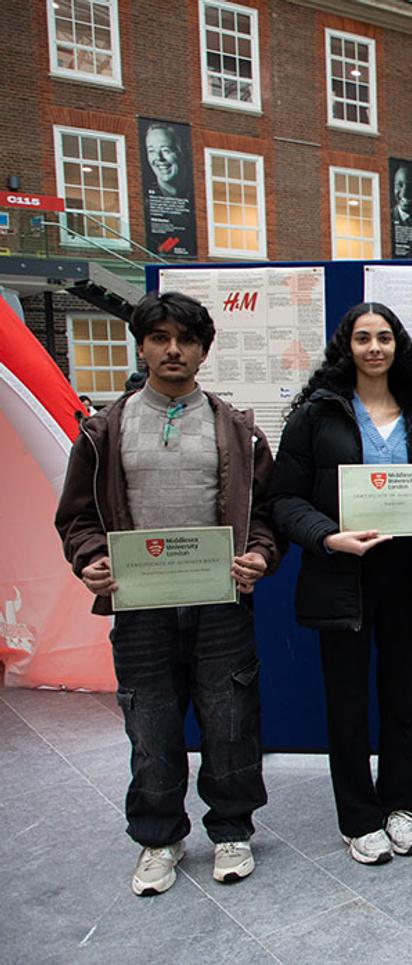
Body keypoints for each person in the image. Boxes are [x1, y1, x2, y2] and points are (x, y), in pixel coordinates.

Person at [54, 291, 282, 896]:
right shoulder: (106, 428)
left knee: (231, 720)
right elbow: (77, 518)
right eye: (159, 338)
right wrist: (92, 559)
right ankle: (158, 838)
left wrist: (259, 554)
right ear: (143, 345)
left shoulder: (235, 429)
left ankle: (232, 829)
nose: (172, 350)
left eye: (185, 340)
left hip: (220, 603)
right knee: (150, 724)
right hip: (140, 605)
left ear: (204, 350)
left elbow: (265, 516)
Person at [268, 302, 412, 865]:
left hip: (408, 575)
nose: (374, 348)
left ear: (398, 346)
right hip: (341, 573)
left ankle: (401, 806)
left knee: (402, 699)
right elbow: (284, 500)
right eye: (362, 339)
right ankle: (359, 817)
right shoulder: (315, 415)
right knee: (347, 702)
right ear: (345, 347)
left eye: (384, 338)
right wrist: (328, 536)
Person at [144, 124, 188, 199]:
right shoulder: (144, 198)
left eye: (165, 150)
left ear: (182, 152)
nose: (158, 157)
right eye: (151, 151)